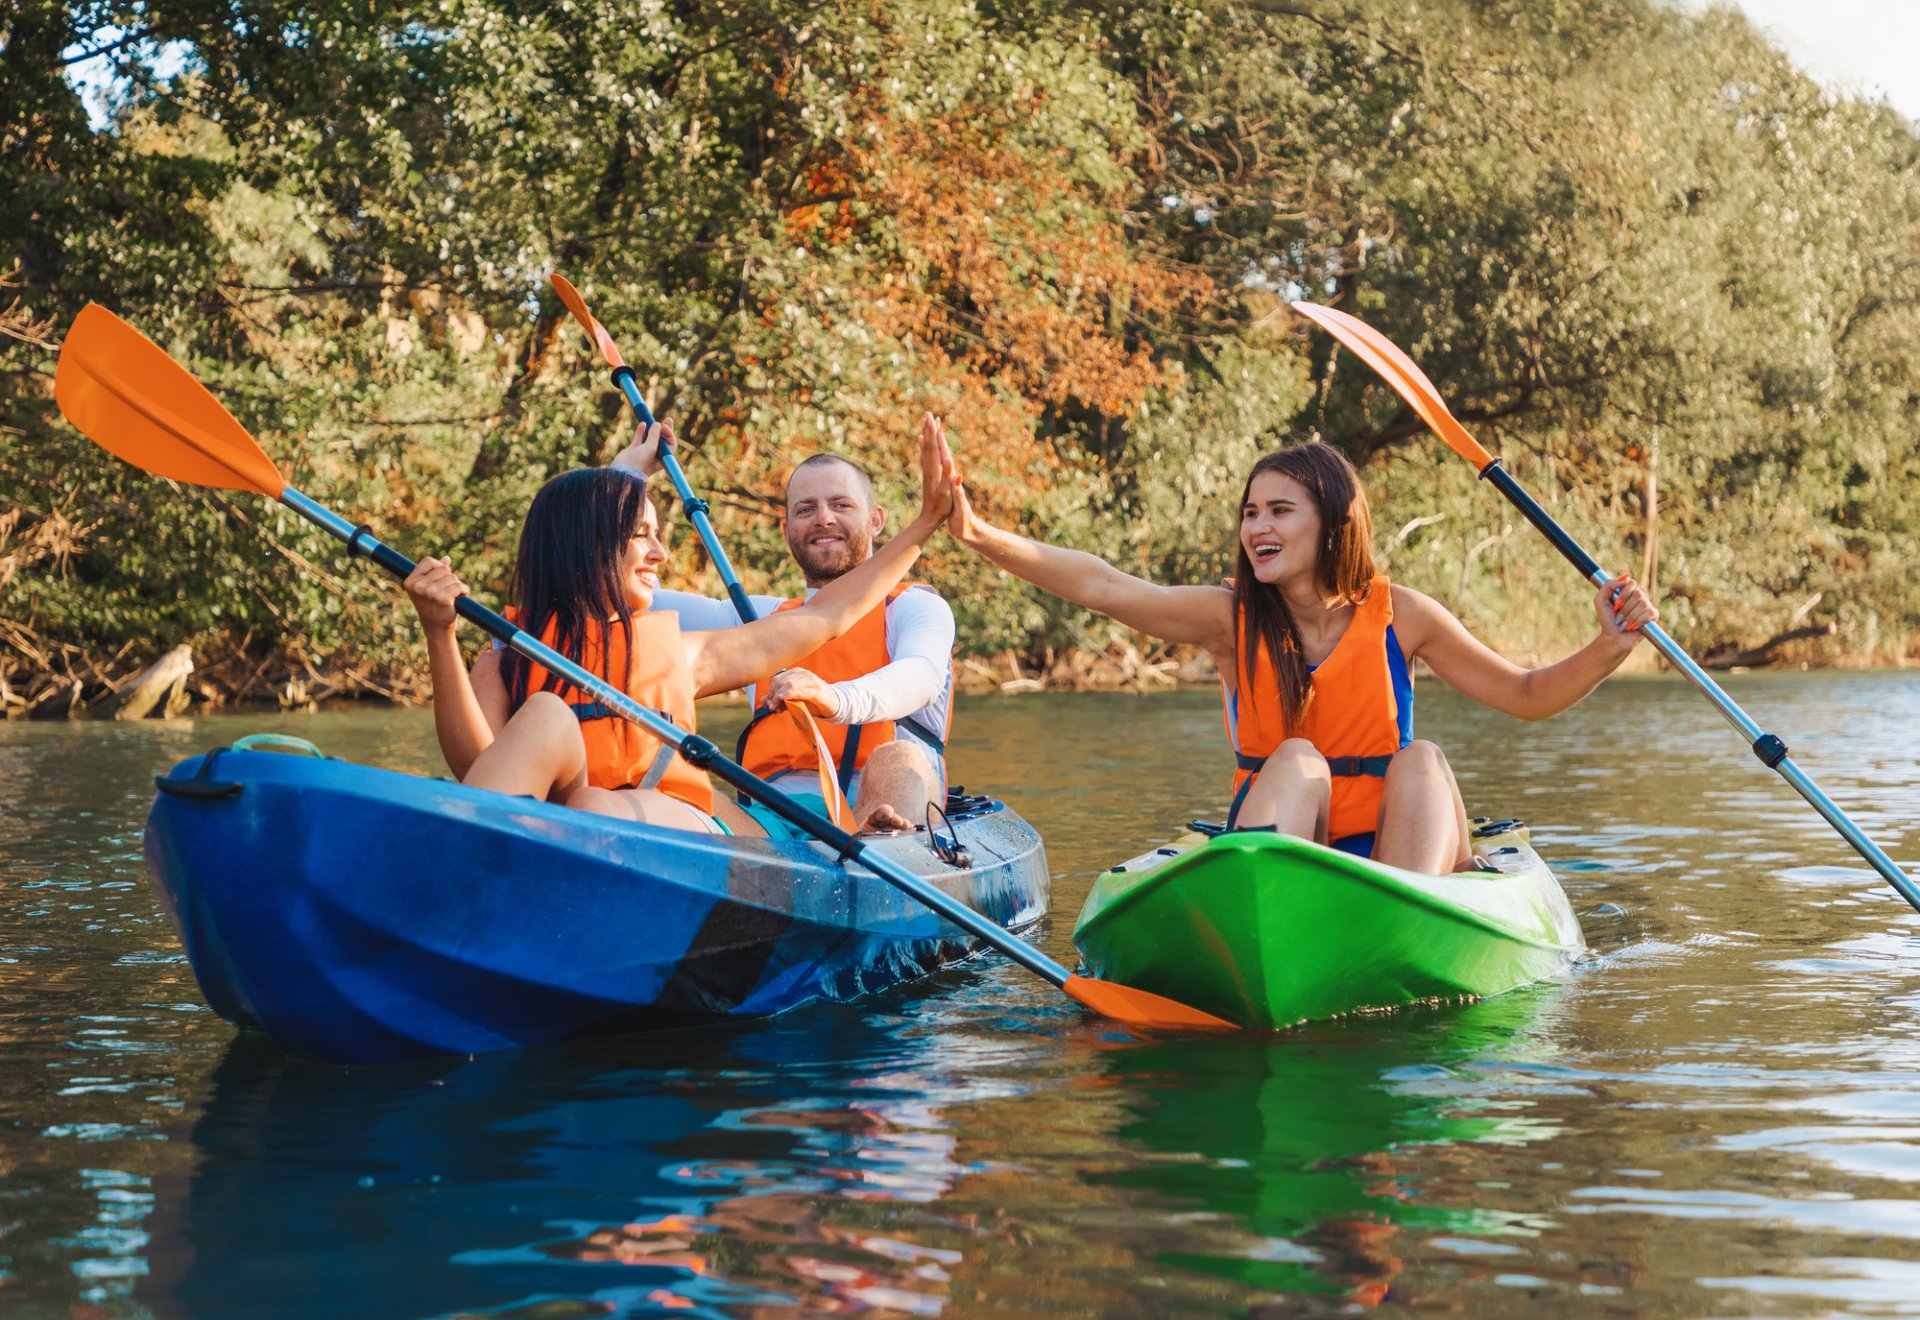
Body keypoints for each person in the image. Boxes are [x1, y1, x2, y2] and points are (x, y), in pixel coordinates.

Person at [939, 437, 1658, 874]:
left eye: (1281, 510)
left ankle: (1407, 918)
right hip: (1287, 855)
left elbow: (1528, 696)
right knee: (1296, 759)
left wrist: (1609, 645)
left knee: (1422, 758)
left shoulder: (1402, 615)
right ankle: (1274, 906)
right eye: (1251, 512)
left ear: (1334, 523)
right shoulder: (1229, 618)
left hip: (1394, 857)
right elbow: (1104, 585)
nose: (1258, 526)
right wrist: (975, 533)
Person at [399, 415, 952, 837]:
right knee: (550, 720)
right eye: (643, 535)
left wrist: (926, 524)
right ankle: (469, 872)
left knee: (591, 802)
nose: (662, 554)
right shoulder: (509, 659)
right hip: (584, 814)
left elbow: (830, 617)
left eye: (840, 504)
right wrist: (439, 632)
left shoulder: (684, 652)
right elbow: (478, 769)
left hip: (666, 820)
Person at [613, 420, 955, 835]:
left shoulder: (915, 606)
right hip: (773, 824)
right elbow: (617, 586)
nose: (823, 518)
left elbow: (919, 676)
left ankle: (877, 839)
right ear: (787, 529)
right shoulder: (756, 619)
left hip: (882, 808)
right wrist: (626, 477)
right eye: (805, 509)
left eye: (841, 505)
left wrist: (834, 698)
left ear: (876, 520)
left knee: (898, 757)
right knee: (671, 779)